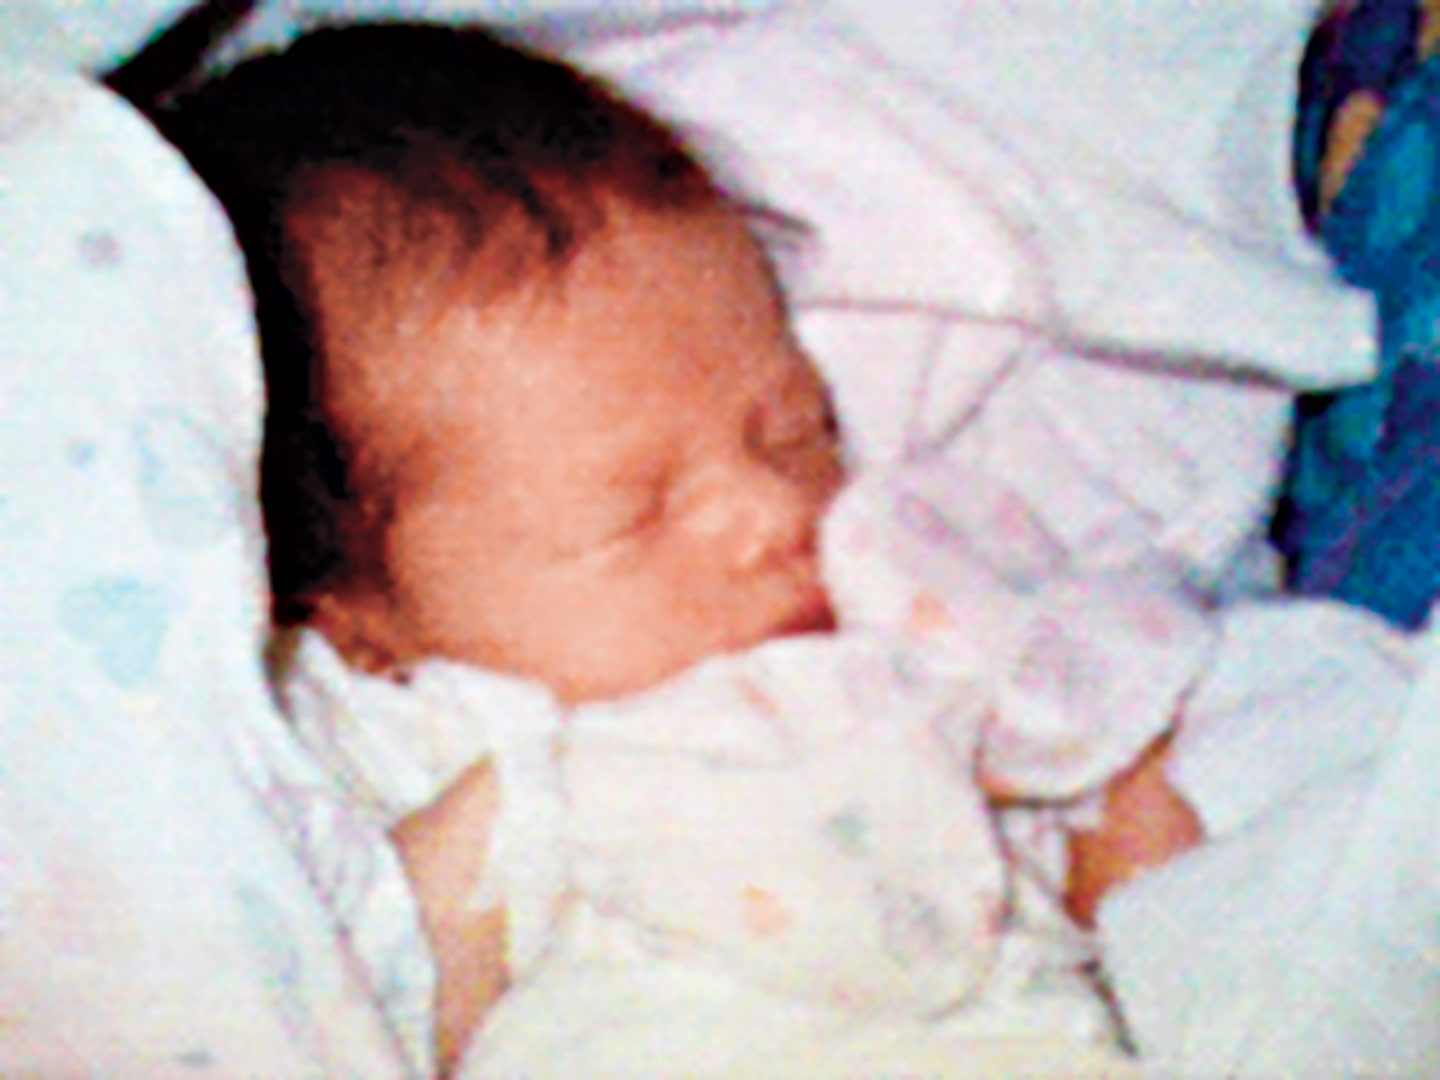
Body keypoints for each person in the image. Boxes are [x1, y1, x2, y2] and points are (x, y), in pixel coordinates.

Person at [161, 23, 1205, 1075]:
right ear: (355, 628)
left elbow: (1094, 784)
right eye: (632, 511)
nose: (774, 513)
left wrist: (1117, 829)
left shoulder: (899, 614)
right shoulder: (405, 762)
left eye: (794, 430)